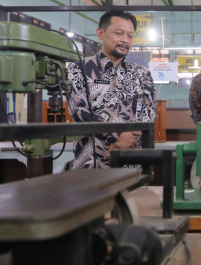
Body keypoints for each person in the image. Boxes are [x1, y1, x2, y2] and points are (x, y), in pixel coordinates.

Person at [66, 11, 157, 169]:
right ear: (100, 33)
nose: (125, 40)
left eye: (130, 36)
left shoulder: (142, 74)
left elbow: (149, 113)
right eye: (119, 33)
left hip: (131, 162)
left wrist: (128, 141)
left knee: (132, 194)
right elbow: (78, 110)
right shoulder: (79, 69)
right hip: (90, 164)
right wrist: (116, 135)